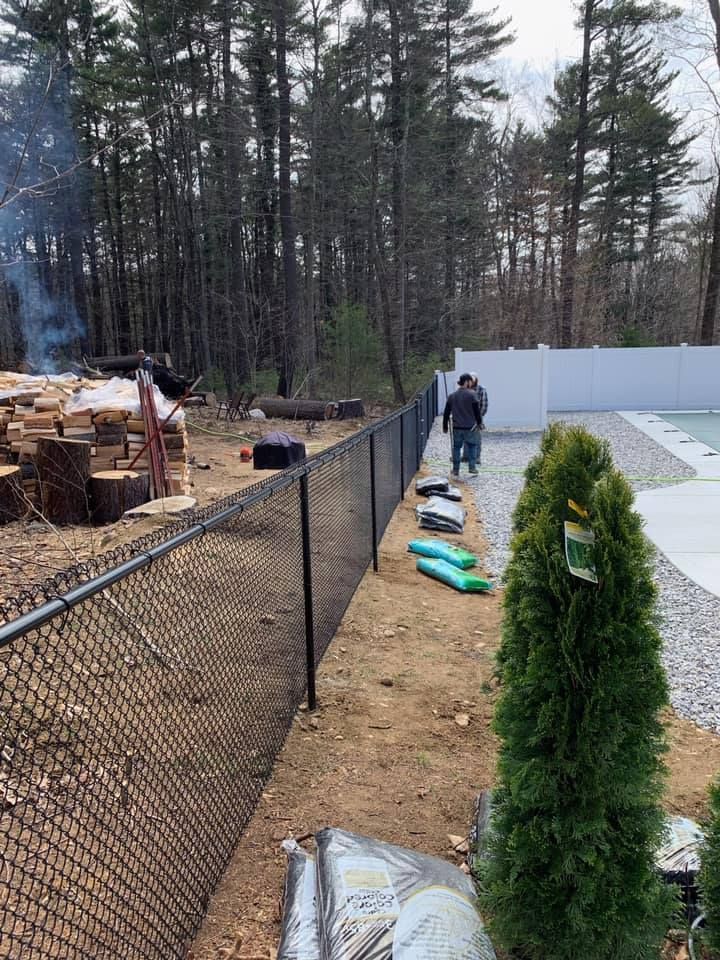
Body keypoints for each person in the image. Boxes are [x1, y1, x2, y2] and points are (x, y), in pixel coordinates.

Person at [442, 373, 483, 479]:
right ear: (466, 382)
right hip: (470, 427)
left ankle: (455, 470)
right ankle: (472, 467)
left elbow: (446, 412)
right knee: (472, 446)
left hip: (456, 427)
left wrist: (445, 426)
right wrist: (480, 423)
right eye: (470, 382)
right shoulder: (472, 394)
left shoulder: (452, 396)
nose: (471, 384)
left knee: (456, 448)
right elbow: (477, 411)